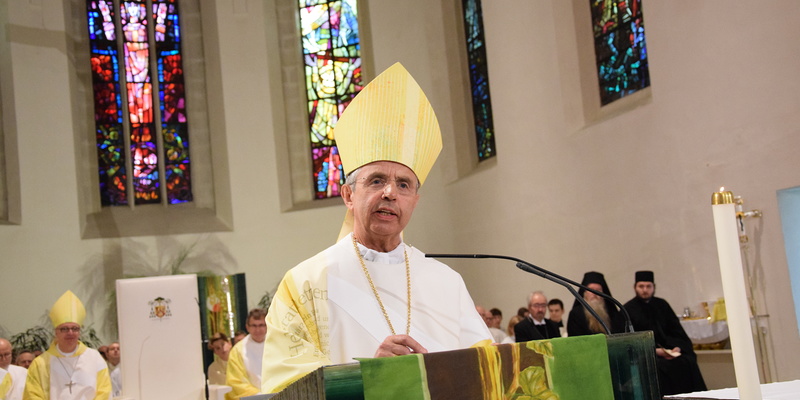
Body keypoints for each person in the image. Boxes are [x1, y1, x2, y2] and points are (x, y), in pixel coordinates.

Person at [261, 63, 492, 393]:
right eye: (377, 180)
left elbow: (488, 373)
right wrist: (367, 376)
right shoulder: (304, 284)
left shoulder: (447, 282)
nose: (390, 192)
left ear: (415, 200)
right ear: (348, 195)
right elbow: (284, 388)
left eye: (403, 184)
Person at [623, 271, 707, 395]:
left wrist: (677, 347)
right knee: (660, 368)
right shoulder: (628, 309)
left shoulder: (662, 305)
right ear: (635, 287)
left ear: (654, 287)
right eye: (641, 286)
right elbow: (628, 342)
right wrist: (655, 351)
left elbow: (677, 331)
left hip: (670, 351)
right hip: (647, 355)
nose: (645, 290)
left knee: (687, 361)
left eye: (648, 286)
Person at [23, 290, 111, 399]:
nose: (70, 333)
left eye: (75, 329)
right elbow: (32, 395)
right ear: (56, 332)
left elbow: (104, 391)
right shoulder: (41, 363)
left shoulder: (94, 358)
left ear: (79, 332)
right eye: (64, 329)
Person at [567, 272, 625, 336]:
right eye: (590, 290)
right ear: (584, 293)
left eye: (598, 290)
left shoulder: (612, 312)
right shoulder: (575, 314)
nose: (594, 293)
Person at [226, 309, 266, 399]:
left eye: (261, 325)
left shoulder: (276, 345)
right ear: (247, 327)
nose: (258, 329)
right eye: (254, 326)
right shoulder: (238, 350)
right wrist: (259, 395)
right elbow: (235, 382)